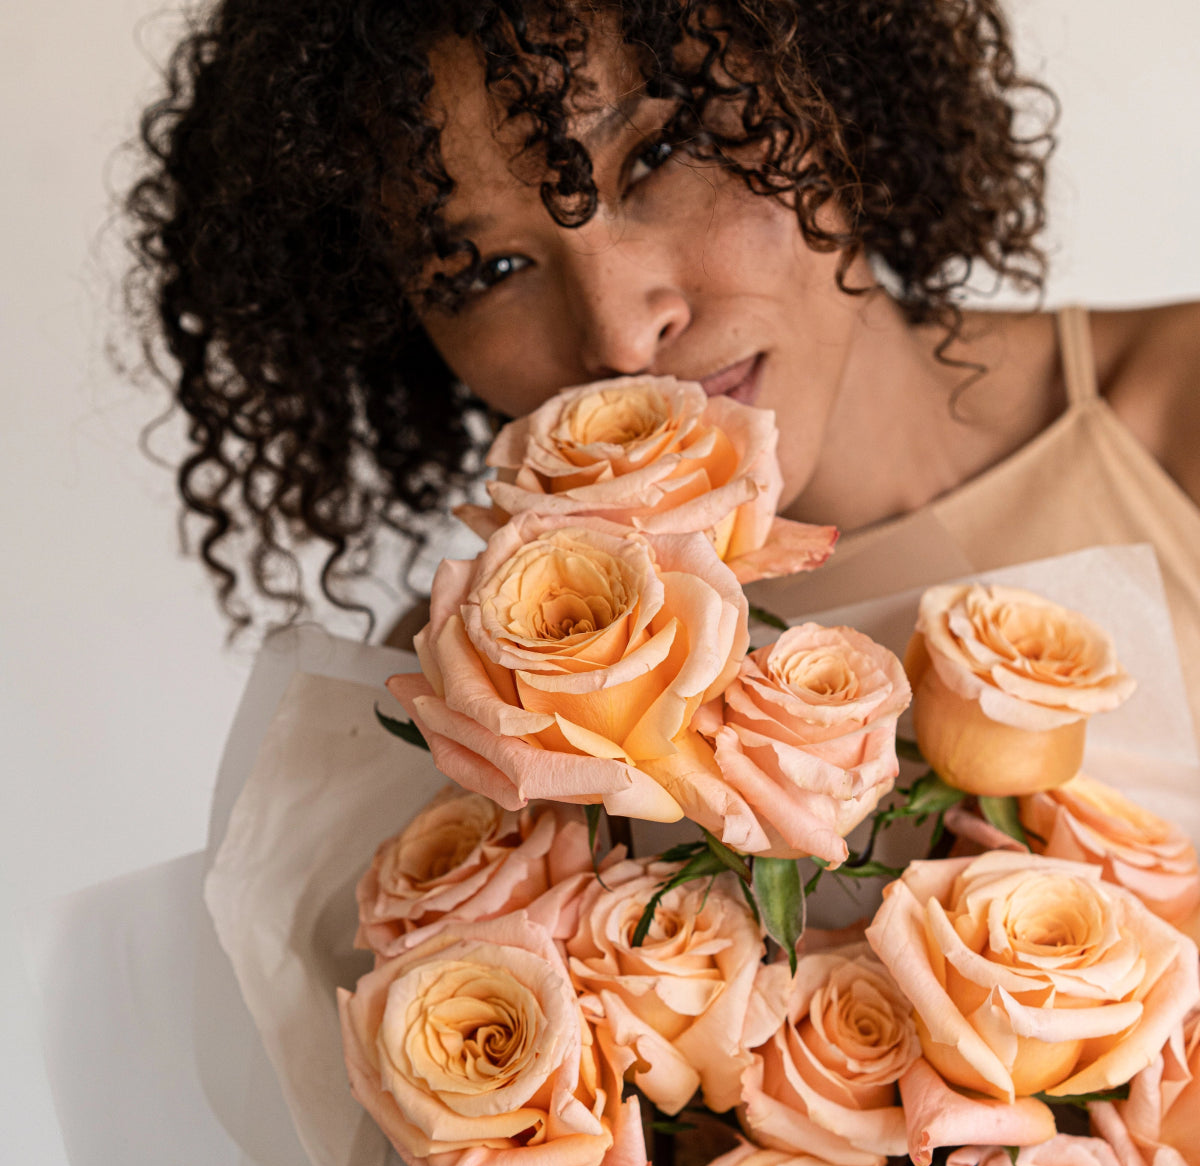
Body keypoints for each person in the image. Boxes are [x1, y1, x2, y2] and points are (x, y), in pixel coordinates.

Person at [126, 0, 1200, 733]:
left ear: (824, 84)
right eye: (486, 267)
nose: (620, 337)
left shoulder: (1178, 415)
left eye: (656, 156)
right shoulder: (492, 693)